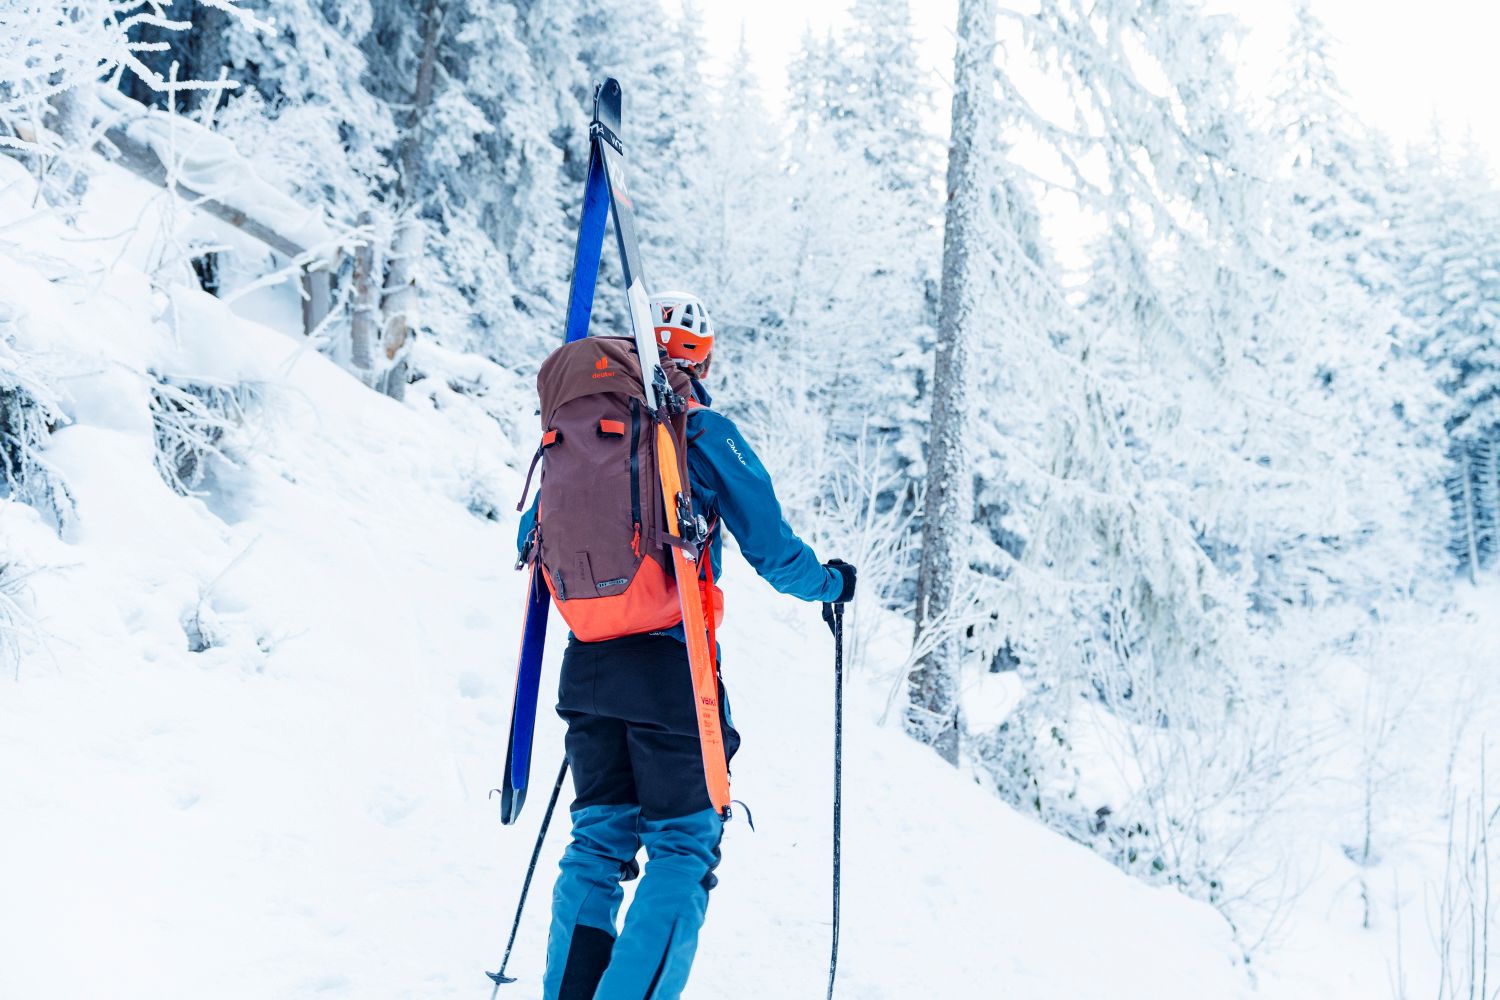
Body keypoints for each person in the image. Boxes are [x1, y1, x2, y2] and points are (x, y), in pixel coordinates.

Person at [520, 291, 856, 1000]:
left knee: (598, 846)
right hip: (674, 670)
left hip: (587, 668)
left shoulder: (586, 432)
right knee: (682, 847)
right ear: (699, 358)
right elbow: (772, 549)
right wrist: (829, 585)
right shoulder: (699, 431)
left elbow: (531, 537)